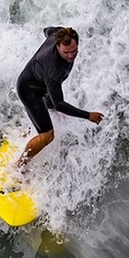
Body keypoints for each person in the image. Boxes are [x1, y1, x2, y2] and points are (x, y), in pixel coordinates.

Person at [15, 26, 104, 167]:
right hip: (30, 91)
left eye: (74, 51)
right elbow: (60, 104)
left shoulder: (58, 33)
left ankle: (28, 131)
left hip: (41, 85)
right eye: (66, 52)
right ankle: (20, 165)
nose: (71, 56)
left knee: (51, 110)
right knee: (48, 135)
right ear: (57, 46)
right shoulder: (54, 69)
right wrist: (88, 115)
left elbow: (46, 30)